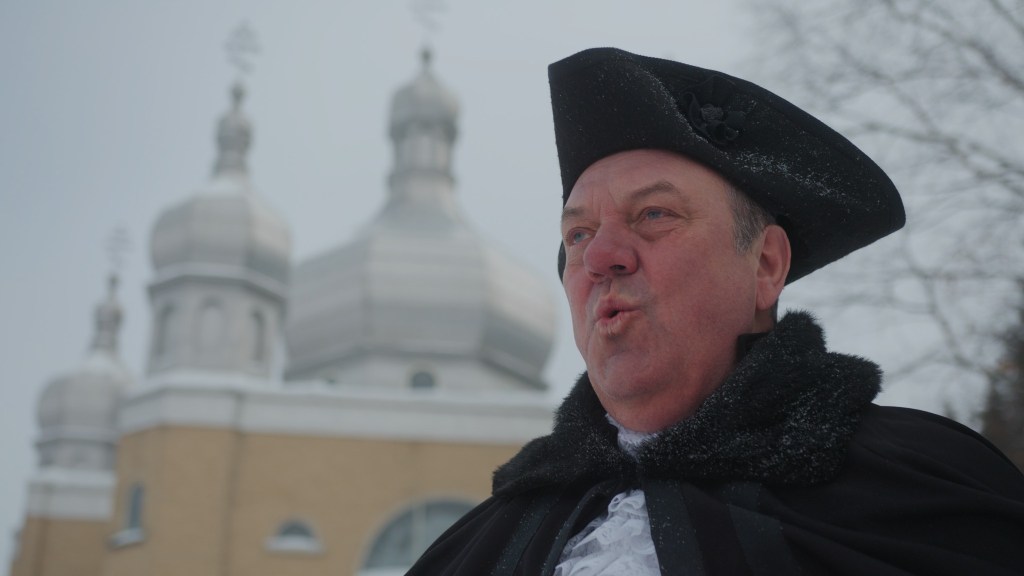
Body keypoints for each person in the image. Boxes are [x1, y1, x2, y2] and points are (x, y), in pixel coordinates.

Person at [406, 47, 1024, 576]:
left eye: (655, 215)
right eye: (578, 234)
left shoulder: (933, 493)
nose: (600, 258)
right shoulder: (472, 551)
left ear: (766, 265)